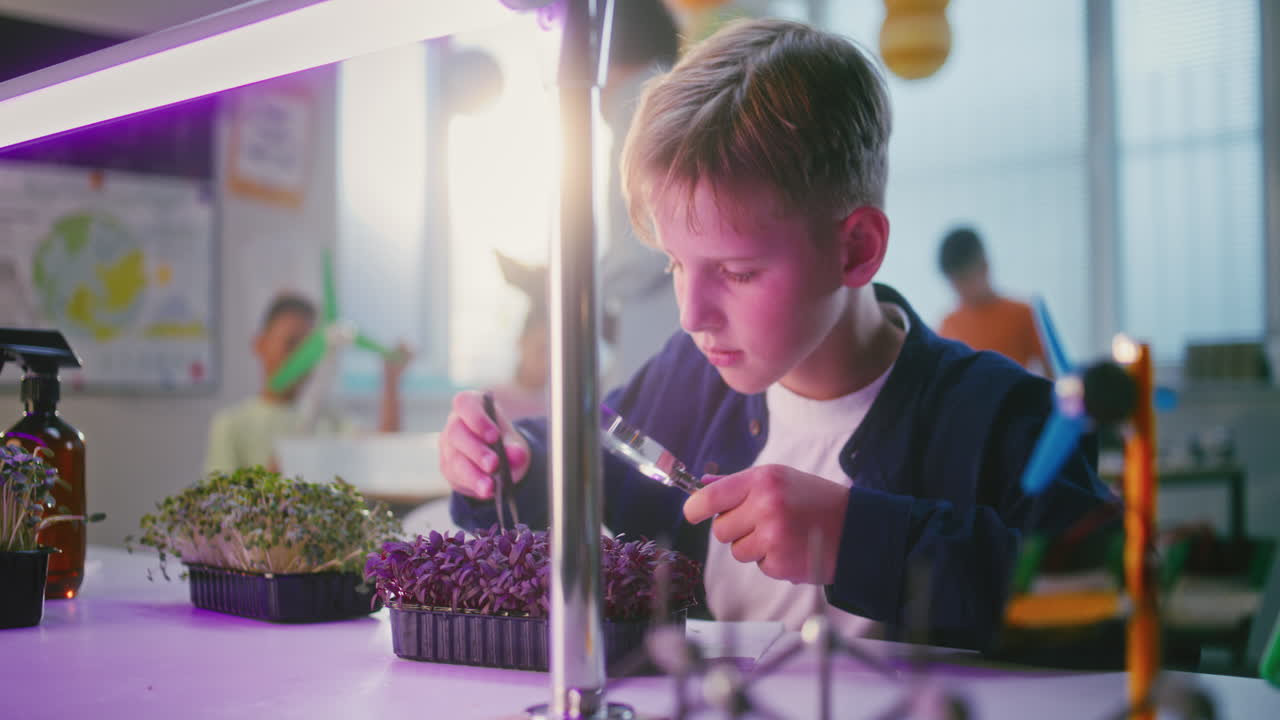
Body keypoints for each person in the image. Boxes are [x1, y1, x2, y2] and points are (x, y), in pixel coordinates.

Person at [440, 18, 1111, 650]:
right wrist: (510, 464)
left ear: (854, 250)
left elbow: (1113, 603)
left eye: (736, 272)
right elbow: (589, 461)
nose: (692, 315)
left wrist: (858, 540)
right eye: (677, 264)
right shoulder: (685, 379)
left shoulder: (997, 416)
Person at [204, 292, 410, 474]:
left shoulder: (328, 421)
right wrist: (269, 480)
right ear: (260, 344)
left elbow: (385, 447)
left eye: (311, 347)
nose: (303, 356)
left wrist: (391, 380)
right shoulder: (231, 425)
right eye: (291, 343)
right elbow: (218, 505)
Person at [937, 226, 1049, 375]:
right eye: (954, 282)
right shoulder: (948, 326)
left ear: (984, 266)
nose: (960, 289)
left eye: (965, 279)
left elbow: (1051, 374)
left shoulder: (1022, 314)